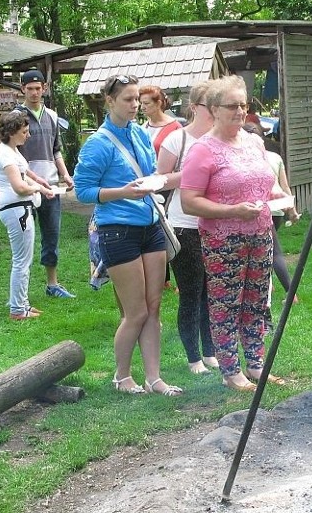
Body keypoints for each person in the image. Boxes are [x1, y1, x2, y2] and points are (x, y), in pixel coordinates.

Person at [73, 74, 182, 396]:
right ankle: (122, 377)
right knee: (135, 311)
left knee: (153, 306)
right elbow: (82, 191)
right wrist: (122, 192)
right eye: (128, 100)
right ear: (109, 102)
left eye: (137, 99)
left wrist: (156, 182)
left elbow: (150, 174)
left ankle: (154, 377)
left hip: (151, 225)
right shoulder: (98, 143)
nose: (135, 106)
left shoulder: (139, 133)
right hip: (118, 229)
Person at [180, 75, 286, 392]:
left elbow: (264, 182)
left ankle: (255, 364)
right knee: (226, 304)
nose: (240, 111)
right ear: (213, 109)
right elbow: (189, 201)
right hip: (223, 239)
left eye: (244, 104)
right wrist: (233, 210)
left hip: (261, 233)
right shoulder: (202, 150)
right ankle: (230, 371)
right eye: (232, 106)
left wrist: (278, 198)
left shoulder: (254, 142)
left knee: (256, 302)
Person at [156, 80, 219, 374]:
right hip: (184, 224)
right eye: (211, 105)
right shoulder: (177, 140)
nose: (217, 111)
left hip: (217, 224)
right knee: (192, 292)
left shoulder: (223, 139)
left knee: (212, 292)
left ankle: (210, 352)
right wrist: (194, 174)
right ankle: (193, 358)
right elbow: (160, 180)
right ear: (194, 107)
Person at [16, 68, 76, 299]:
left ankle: (53, 284)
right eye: (29, 88)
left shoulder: (51, 115)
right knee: (25, 239)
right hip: (26, 187)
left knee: (51, 236)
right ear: (22, 89)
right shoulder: (16, 117)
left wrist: (66, 175)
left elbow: (56, 151)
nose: (33, 92)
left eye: (37, 88)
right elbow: (13, 154)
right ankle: (22, 290)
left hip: (51, 187)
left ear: (44, 88)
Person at [0, 109, 56, 320]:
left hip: (19, 209)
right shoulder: (6, 156)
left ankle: (22, 303)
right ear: (12, 132)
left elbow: (26, 173)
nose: (28, 135)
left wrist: (41, 183)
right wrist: (38, 189)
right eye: (25, 132)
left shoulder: (12, 150)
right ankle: (18, 310)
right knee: (21, 260)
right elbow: (20, 187)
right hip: (16, 210)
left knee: (23, 259)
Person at [242, 121, 300, 304]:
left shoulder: (245, 160)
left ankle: (291, 294)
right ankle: (271, 285)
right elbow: (285, 186)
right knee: (270, 249)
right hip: (277, 210)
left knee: (270, 251)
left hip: (261, 209)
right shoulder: (275, 157)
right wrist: (291, 209)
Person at [140, 84, 181, 289]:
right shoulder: (143, 127)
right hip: (146, 183)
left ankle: (177, 273)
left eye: (146, 103)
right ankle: (162, 278)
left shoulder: (175, 127)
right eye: (141, 103)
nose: (142, 107)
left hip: (165, 183)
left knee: (167, 225)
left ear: (159, 104)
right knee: (153, 225)